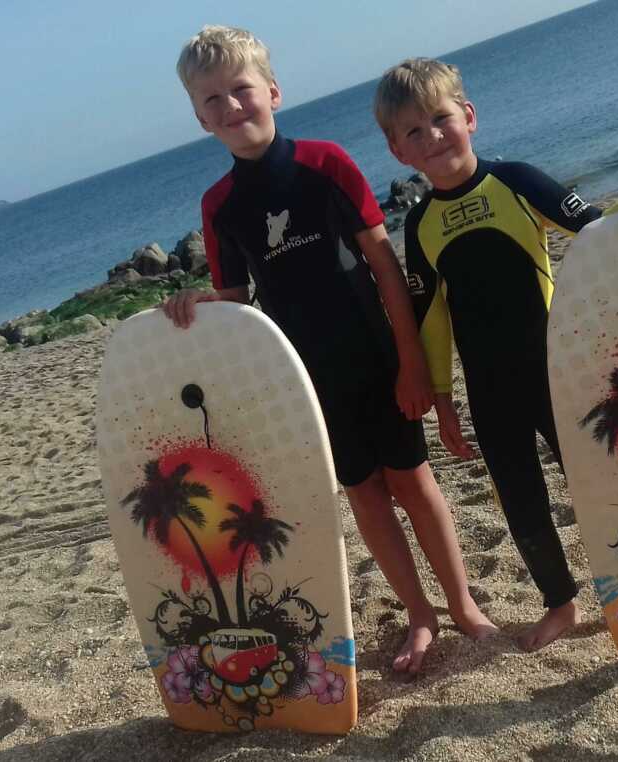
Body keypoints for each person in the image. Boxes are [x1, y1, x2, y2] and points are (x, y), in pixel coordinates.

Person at [164, 27, 496, 676]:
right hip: (309, 382)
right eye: (213, 99)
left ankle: (462, 606)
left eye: (241, 90)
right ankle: (419, 617)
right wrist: (201, 302)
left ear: (273, 93)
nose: (231, 107)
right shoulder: (220, 205)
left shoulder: (326, 164)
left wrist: (411, 364)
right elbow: (236, 307)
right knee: (365, 495)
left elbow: (385, 268)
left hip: (375, 356)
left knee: (414, 483)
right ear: (200, 117)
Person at [374, 57, 618, 652]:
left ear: (468, 116)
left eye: (440, 119)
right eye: (413, 131)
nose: (432, 136)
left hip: (559, 372)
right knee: (520, 500)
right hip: (489, 390)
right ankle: (560, 602)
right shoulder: (418, 227)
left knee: (597, 478)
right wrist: (443, 403)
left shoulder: (514, 181)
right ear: (398, 152)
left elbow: (592, 231)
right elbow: (430, 322)